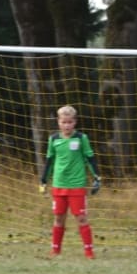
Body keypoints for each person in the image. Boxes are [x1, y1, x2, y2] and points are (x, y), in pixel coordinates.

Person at [39, 105, 101, 259]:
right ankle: (55, 250)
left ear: (75, 122)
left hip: (77, 185)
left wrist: (97, 177)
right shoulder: (54, 139)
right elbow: (49, 161)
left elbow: (90, 158)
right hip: (59, 185)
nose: (67, 125)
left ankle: (89, 252)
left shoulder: (81, 138)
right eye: (64, 122)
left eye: (70, 122)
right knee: (59, 218)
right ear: (58, 122)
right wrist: (43, 181)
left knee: (81, 218)